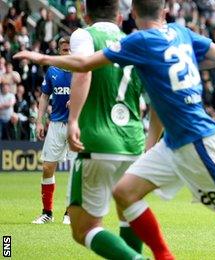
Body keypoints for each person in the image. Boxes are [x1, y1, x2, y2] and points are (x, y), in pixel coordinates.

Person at [16, 1, 215, 259]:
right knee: (124, 193)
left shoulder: (140, 41)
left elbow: (85, 64)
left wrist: (42, 57)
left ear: (133, 12)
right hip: (174, 142)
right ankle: (163, 256)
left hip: (198, 140)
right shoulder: (180, 32)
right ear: (165, 11)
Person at [22, 1, 147, 259]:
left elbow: (83, 73)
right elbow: (148, 97)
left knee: (83, 229)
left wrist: (74, 120)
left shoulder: (84, 35)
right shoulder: (135, 41)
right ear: (121, 17)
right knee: (128, 211)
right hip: (133, 139)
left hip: (98, 138)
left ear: (86, 16)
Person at [31, 37, 74, 225]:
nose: (68, 53)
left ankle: (70, 212)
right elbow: (44, 97)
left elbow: (93, 94)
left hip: (77, 124)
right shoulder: (53, 71)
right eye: (65, 50)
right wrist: (39, 121)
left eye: (71, 49)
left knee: (77, 171)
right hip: (56, 124)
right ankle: (47, 213)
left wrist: (78, 100)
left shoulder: (83, 71)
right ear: (59, 51)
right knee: (48, 167)